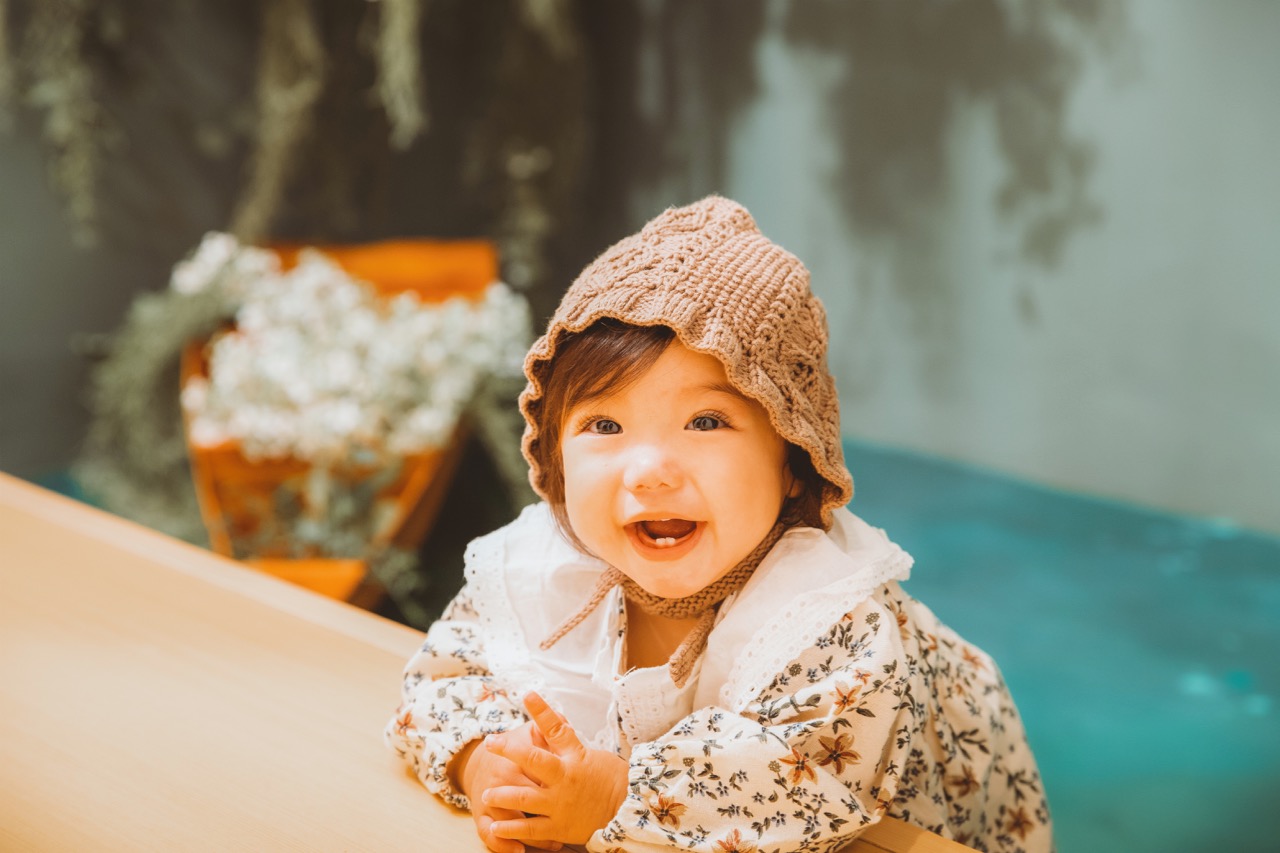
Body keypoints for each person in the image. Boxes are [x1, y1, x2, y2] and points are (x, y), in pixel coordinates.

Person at [386, 196, 1052, 853]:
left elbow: (805, 786)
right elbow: (440, 680)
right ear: (555, 457)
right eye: (605, 425)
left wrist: (614, 797)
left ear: (795, 462)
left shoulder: (830, 617)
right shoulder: (541, 569)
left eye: (705, 421)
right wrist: (485, 762)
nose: (649, 471)